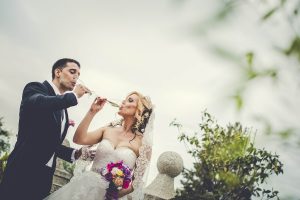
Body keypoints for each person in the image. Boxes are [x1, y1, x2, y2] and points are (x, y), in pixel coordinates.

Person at [0, 58, 92, 200]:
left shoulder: (62, 109)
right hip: (23, 170)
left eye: (78, 75)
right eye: (72, 72)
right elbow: (38, 103)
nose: (76, 78)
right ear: (58, 72)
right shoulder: (36, 88)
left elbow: (49, 143)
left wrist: (76, 153)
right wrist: (74, 96)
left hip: (44, 177)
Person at [44, 91, 154, 200]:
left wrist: (112, 194)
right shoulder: (108, 130)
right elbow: (79, 139)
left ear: (140, 110)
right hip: (84, 189)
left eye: (130, 100)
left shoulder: (143, 145)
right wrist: (92, 111)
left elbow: (136, 182)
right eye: (124, 99)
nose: (123, 102)